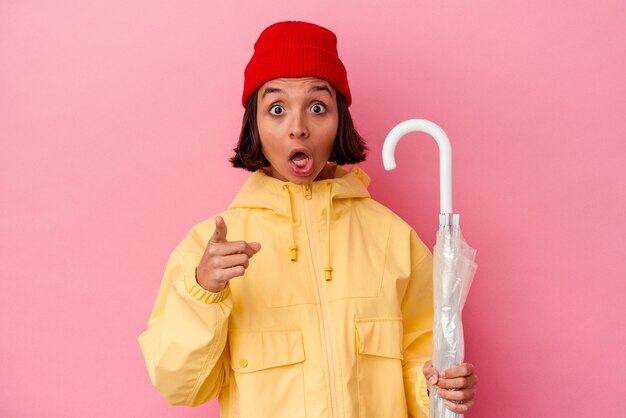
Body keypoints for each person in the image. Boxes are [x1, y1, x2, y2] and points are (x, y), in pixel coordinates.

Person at [138, 21, 478, 418]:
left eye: (317, 107)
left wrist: (441, 391)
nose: (298, 128)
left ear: (340, 122)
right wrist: (203, 291)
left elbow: (422, 366)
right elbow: (180, 385)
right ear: (255, 124)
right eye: (277, 109)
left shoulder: (393, 237)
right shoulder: (210, 250)